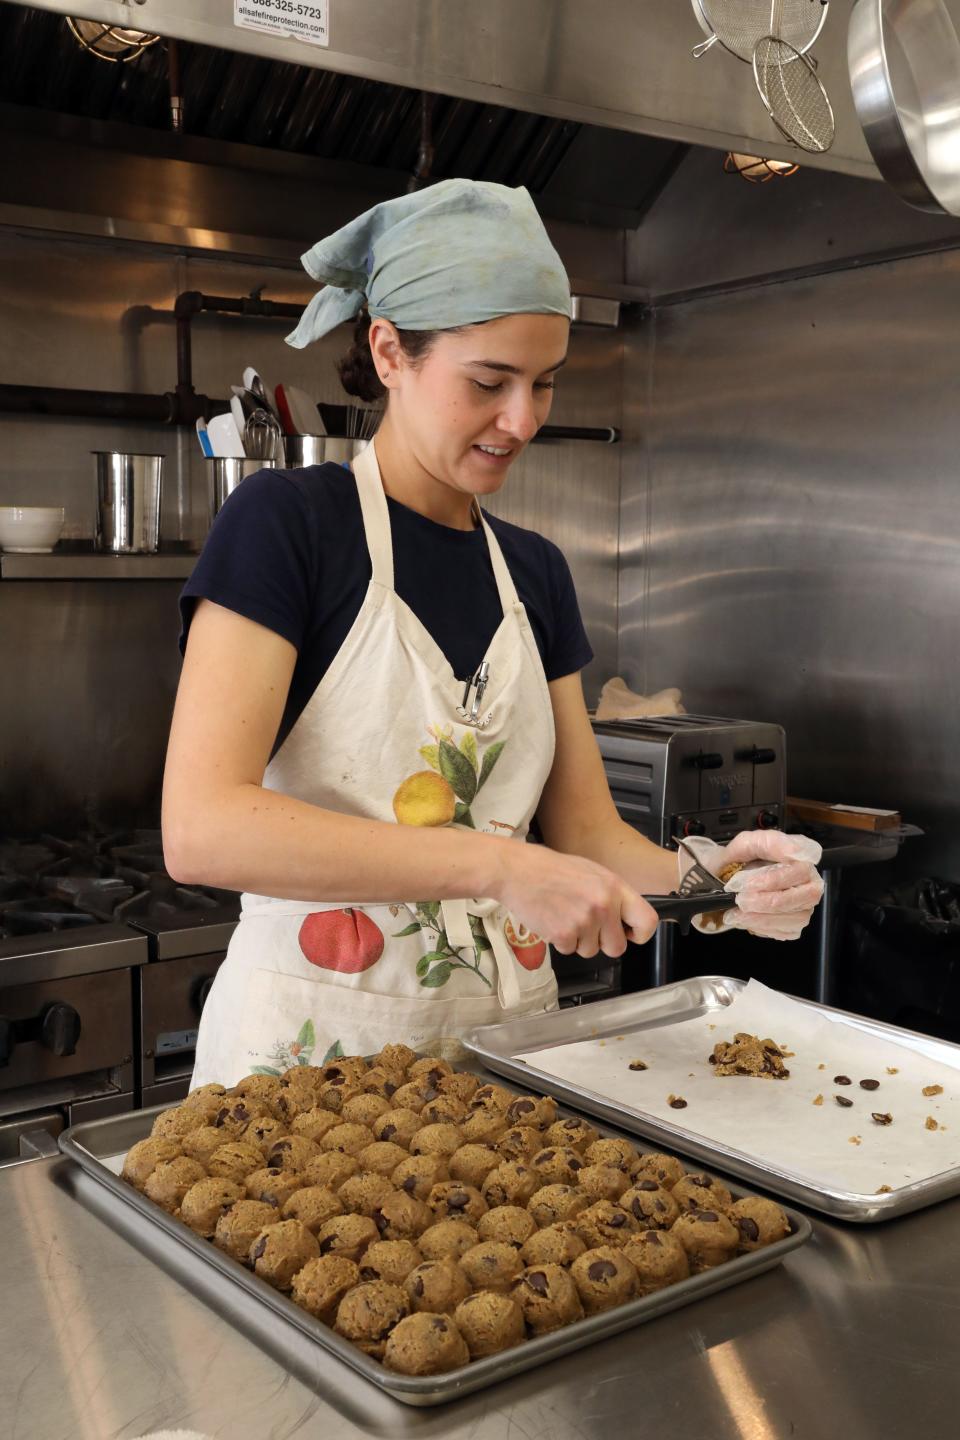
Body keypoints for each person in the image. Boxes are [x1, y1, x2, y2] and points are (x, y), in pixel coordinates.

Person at [163, 180, 823, 1085]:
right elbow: (202, 827)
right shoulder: (286, 525)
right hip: (304, 1074)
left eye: (544, 383)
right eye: (488, 382)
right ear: (390, 352)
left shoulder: (536, 572)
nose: (522, 421)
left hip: (500, 1067)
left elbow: (589, 834)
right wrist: (499, 868)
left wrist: (724, 882)